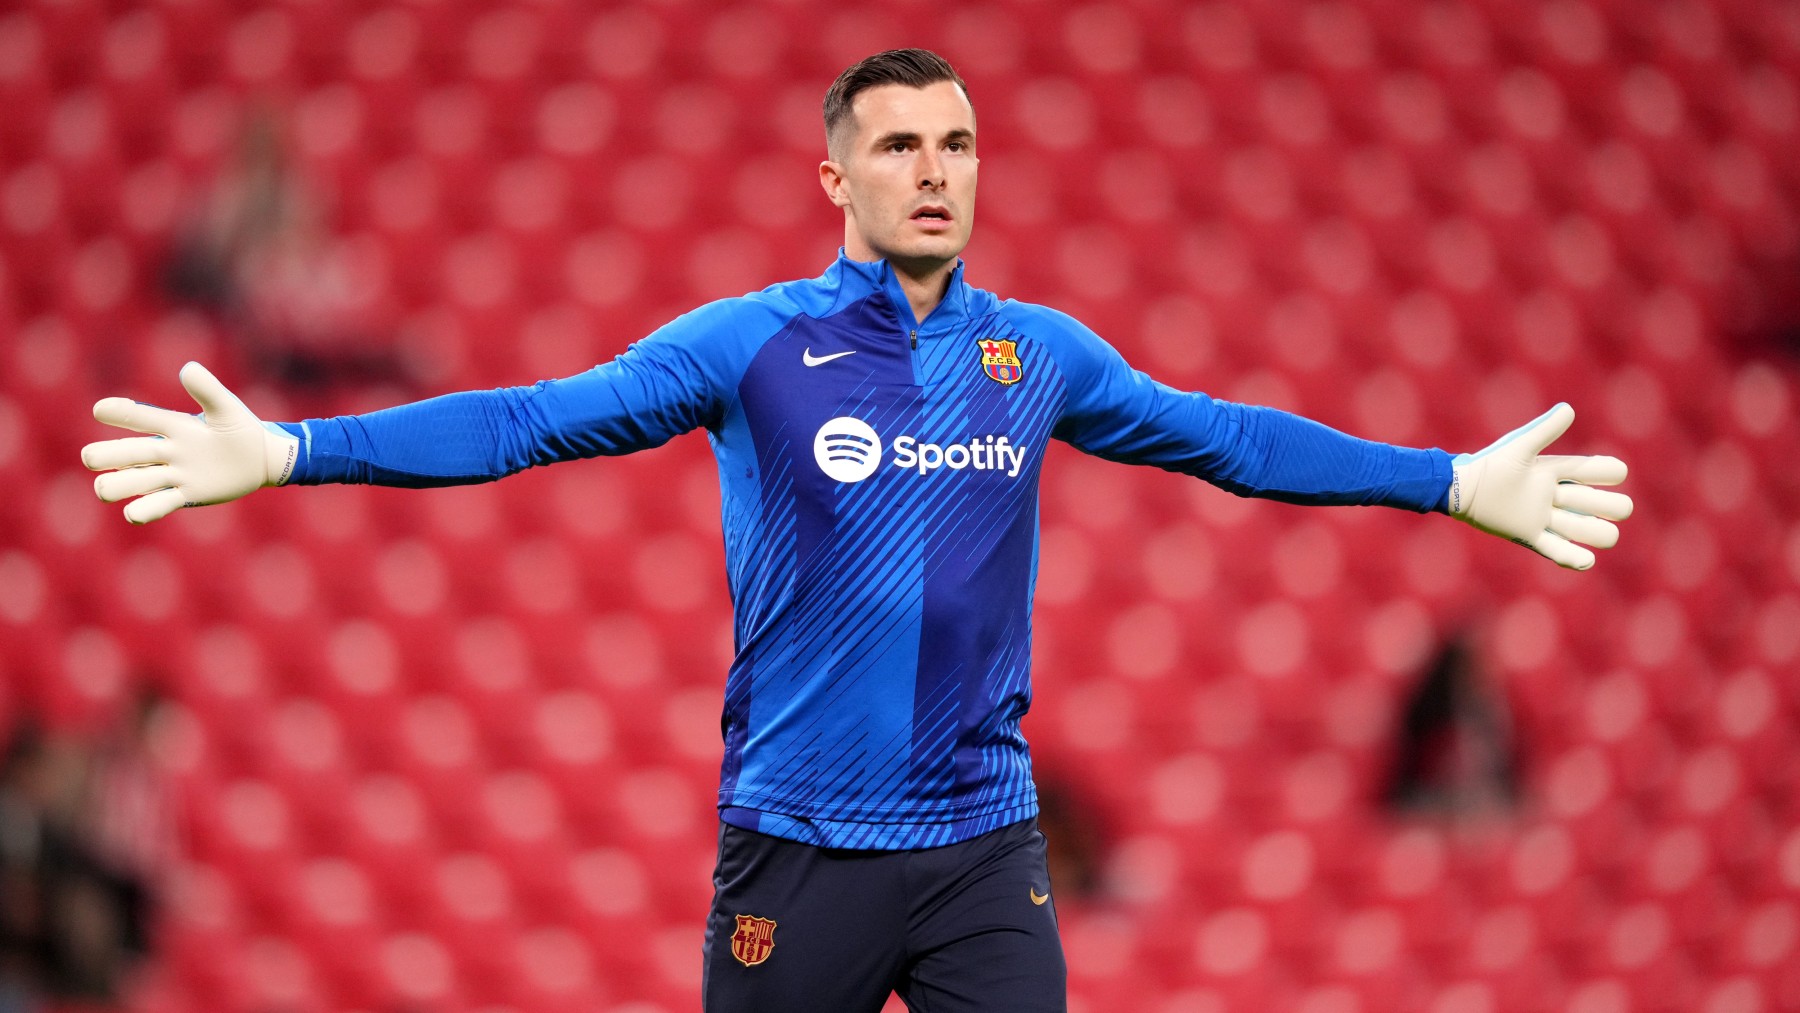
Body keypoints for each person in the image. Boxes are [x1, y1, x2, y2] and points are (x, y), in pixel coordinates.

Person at [81, 50, 1633, 1013]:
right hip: (798, 855)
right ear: (835, 174)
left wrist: (1443, 478)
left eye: (957, 146)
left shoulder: (1042, 359)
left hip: (983, 848)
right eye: (900, 146)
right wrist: (292, 445)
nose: (936, 172)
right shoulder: (750, 346)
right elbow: (523, 420)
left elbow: (1230, 442)